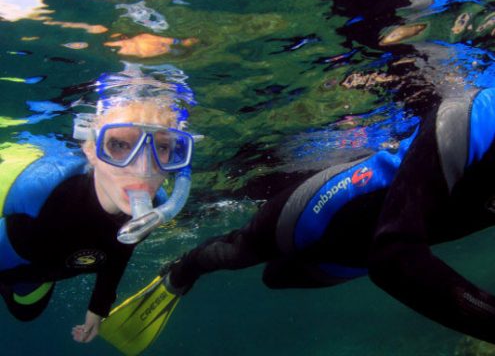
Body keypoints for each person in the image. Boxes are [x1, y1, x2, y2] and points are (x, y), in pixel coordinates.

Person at [164, 87, 495, 344]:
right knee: (241, 251)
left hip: (350, 263)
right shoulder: (473, 116)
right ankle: (184, 269)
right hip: (321, 211)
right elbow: (393, 258)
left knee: (276, 279)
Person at [0, 92, 194, 343]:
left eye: (162, 147)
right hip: (13, 262)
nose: (144, 168)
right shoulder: (45, 194)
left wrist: (98, 309)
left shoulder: (153, 207)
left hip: (38, 278)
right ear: (90, 149)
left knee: (27, 313)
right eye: (121, 144)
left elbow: (120, 251)